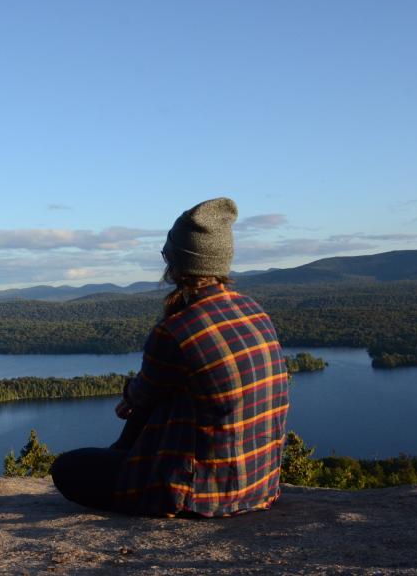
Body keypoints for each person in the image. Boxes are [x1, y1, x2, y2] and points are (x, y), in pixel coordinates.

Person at [50, 197, 290, 517]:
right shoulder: (254, 312)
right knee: (166, 396)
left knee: (68, 468)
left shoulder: (177, 329)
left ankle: (125, 465)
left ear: (177, 264)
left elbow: (143, 395)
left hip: (199, 495)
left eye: (167, 256)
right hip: (259, 487)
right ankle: (124, 459)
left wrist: (131, 396)